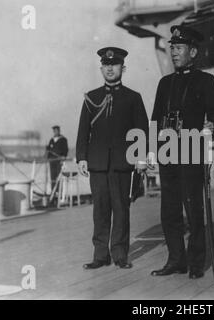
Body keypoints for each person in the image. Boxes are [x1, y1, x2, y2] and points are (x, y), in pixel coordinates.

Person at [150, 25, 214, 279]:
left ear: (193, 52)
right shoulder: (164, 83)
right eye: (172, 48)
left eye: (178, 48)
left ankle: (195, 263)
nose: (173, 52)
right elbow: (154, 119)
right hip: (166, 150)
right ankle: (175, 260)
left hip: (192, 148)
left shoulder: (206, 81)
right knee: (169, 210)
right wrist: (149, 151)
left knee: (194, 210)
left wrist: (211, 125)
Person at [76, 47, 149, 270]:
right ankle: (100, 255)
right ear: (101, 68)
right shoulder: (92, 97)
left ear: (123, 68)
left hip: (122, 163)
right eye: (106, 65)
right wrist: (81, 157)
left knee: (121, 209)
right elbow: (83, 130)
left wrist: (140, 158)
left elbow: (141, 129)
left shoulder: (133, 98)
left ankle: (119, 254)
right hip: (97, 163)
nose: (110, 68)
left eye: (114, 64)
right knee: (100, 210)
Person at [46, 125, 68, 191]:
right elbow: (49, 150)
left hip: (59, 160)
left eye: (56, 131)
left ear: (59, 131)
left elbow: (65, 149)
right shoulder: (51, 140)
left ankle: (59, 192)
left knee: (59, 176)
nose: (55, 132)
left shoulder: (63, 139)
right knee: (53, 176)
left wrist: (64, 157)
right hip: (52, 161)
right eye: (54, 131)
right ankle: (53, 191)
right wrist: (48, 157)